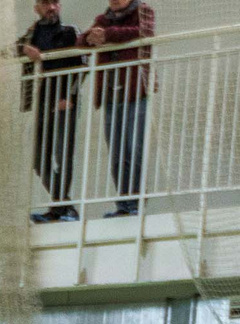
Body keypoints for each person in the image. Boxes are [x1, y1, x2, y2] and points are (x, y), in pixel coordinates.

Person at [83, 0, 155, 216]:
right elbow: (81, 42)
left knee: (135, 149)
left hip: (135, 92)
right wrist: (89, 37)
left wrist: (107, 35)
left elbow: (144, 31)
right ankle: (123, 204)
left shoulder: (143, 10)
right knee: (117, 152)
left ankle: (135, 203)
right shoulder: (101, 20)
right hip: (111, 95)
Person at [17, 0, 86, 222]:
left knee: (61, 154)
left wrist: (69, 96)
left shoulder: (69, 31)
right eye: (46, 3)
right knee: (39, 159)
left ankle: (60, 208)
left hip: (64, 101)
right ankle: (64, 206)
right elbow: (4, 52)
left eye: (55, 2)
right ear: (36, 7)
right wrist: (22, 49)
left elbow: (83, 64)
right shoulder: (31, 35)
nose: (52, 7)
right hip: (41, 101)